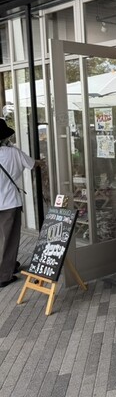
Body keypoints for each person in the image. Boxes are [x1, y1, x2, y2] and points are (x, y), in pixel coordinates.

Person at [0, 119, 35, 288]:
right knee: (9, 239)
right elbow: (32, 164)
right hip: (9, 203)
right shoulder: (13, 152)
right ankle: (4, 276)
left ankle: (9, 265)